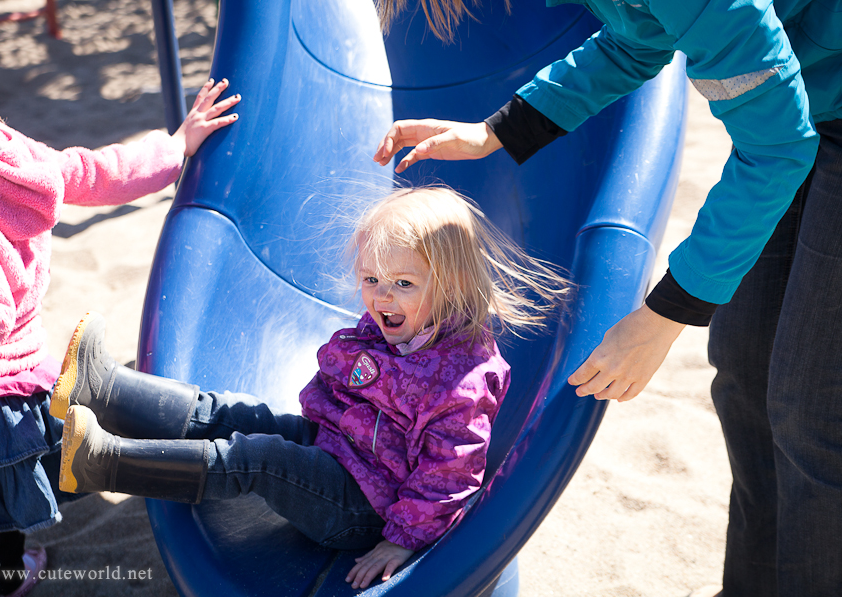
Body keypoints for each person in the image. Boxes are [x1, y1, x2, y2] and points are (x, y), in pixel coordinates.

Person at [370, 0, 842, 596]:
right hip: (805, 103)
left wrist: (663, 315)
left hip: (798, 126)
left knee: (813, 408)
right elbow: (637, 37)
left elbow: (776, 149)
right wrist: (496, 132)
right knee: (745, 369)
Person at [51, 186, 571, 589]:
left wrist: (400, 540)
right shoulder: (397, 325)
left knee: (258, 457)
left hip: (361, 509)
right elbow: (338, 380)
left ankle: (105, 465)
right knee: (237, 411)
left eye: (403, 285)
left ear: (452, 285)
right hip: (336, 448)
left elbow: (450, 474)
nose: (380, 296)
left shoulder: (465, 380)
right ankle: (105, 388)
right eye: (370, 280)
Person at [0, 78, 240, 597]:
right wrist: (173, 147)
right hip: (20, 382)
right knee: (0, 495)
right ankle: (9, 575)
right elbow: (90, 171)